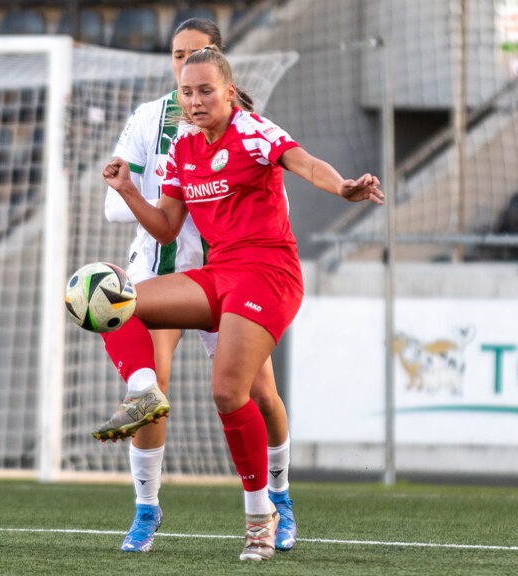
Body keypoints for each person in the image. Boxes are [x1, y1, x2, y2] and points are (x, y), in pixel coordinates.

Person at [100, 48, 383, 561]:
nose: (195, 101)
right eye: (187, 92)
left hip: (269, 273)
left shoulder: (254, 130)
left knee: (230, 392)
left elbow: (306, 163)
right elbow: (165, 226)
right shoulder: (182, 149)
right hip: (218, 274)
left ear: (229, 92)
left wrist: (342, 186)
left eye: (206, 90)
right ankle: (144, 390)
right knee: (109, 296)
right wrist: (126, 191)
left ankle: (262, 517)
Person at [96, 18, 298, 555]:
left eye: (195, 55)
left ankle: (278, 497)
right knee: (148, 390)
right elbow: (112, 203)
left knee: (258, 394)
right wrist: (149, 189)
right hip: (161, 268)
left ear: (219, 61)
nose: (183, 64)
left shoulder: (245, 126)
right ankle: (146, 509)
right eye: (175, 56)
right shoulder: (149, 118)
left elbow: (269, 193)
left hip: (232, 274)